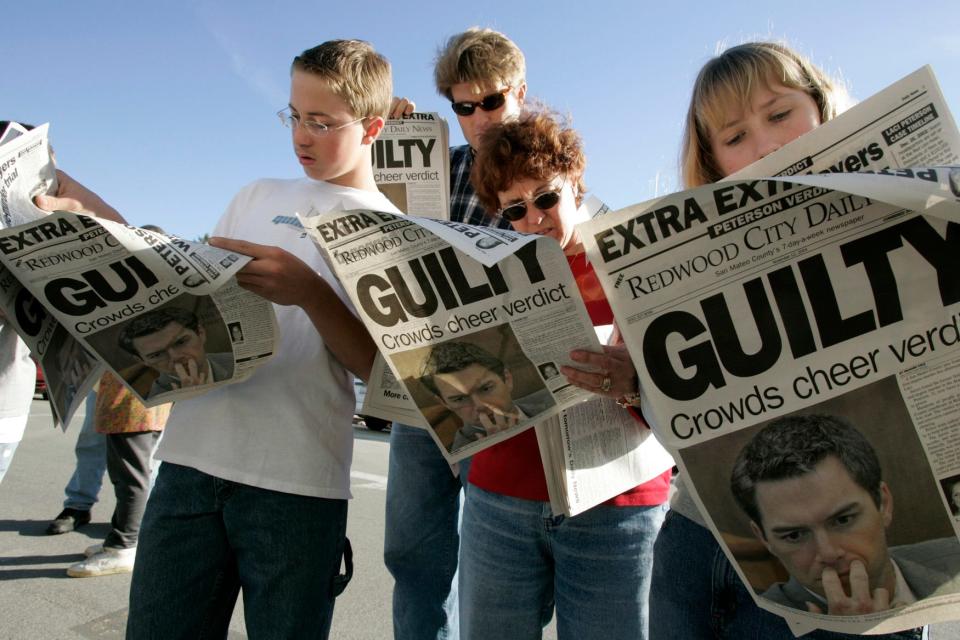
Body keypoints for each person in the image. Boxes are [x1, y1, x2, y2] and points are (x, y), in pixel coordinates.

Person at [39, 39, 396, 638]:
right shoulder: (255, 195)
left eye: (321, 122)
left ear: (373, 127)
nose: (301, 136)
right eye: (294, 116)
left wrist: (310, 292)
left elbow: (379, 373)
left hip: (297, 484)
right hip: (187, 466)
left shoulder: (389, 227)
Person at [647, 41, 945, 640]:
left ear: (820, 103)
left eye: (780, 114)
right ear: (714, 161)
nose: (766, 145)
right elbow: (682, 435)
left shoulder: (915, 210)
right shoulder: (681, 256)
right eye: (734, 136)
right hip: (695, 545)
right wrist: (638, 379)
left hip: (853, 570)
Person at [462, 108, 673, 639]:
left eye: (546, 197)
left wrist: (634, 384)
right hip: (499, 499)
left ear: (575, 185)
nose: (533, 218)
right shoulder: (489, 273)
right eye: (514, 209)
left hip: (618, 506)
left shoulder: (634, 259)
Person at [384, 27, 526, 640]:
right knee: (414, 552)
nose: (478, 118)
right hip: (420, 382)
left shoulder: (547, 176)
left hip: (499, 384)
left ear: (518, 91)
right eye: (463, 107)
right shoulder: (437, 168)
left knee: (494, 559)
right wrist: (382, 137)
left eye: (491, 101)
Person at [731, 414, 960, 614]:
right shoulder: (755, 626)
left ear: (883, 504)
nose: (828, 553)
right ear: (763, 537)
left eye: (842, 520)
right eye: (794, 535)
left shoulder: (954, 556)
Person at [66, 371, 170, 577]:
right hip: (135, 405)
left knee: (130, 479)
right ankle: (120, 540)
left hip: (131, 406)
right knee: (130, 476)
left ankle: (123, 547)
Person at [419, 340, 554, 451]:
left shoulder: (551, 399)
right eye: (460, 399)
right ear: (444, 403)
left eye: (485, 388)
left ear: (507, 379)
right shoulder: (465, 457)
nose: (480, 406)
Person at [117, 305, 234, 398]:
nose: (175, 357)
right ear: (142, 360)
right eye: (157, 354)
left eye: (180, 342)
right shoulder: (155, 405)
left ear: (200, 333)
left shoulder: (235, 360)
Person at [46, 391, 107, 535]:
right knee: (92, 441)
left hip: (149, 376)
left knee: (143, 451)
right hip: (106, 377)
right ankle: (78, 506)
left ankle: (132, 516)